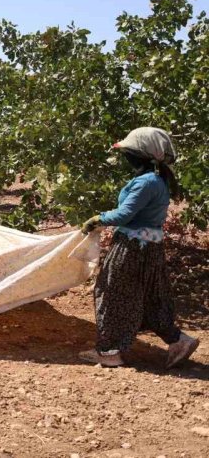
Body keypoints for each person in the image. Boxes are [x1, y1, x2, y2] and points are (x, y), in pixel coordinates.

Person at [79, 127, 199, 368]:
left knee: (111, 295)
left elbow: (124, 214)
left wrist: (97, 219)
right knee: (151, 298)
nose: (126, 156)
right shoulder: (157, 180)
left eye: (129, 152)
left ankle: (109, 353)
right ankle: (179, 340)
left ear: (139, 155)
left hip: (131, 248)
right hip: (150, 248)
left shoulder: (145, 182)